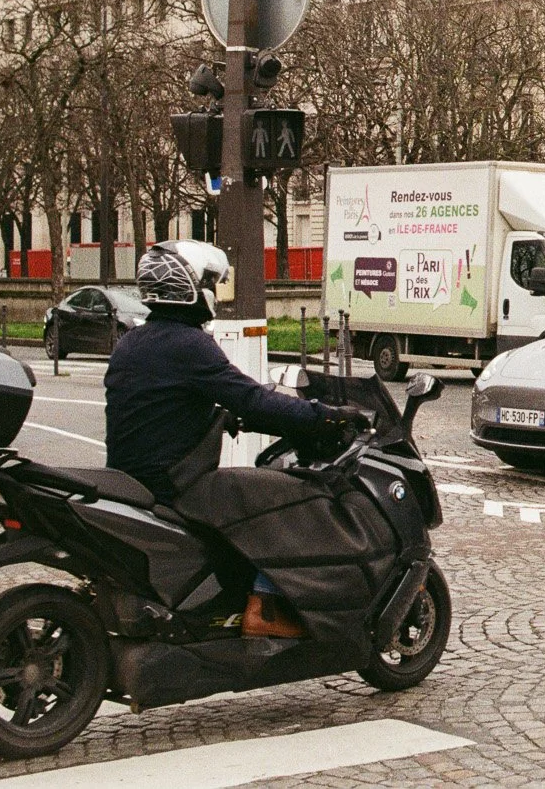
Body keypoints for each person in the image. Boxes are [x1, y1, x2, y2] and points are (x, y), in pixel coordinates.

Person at [106, 240, 361, 638]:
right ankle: (265, 608)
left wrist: (216, 418)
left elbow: (159, 409)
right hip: (177, 484)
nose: (214, 291)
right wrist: (325, 417)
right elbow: (255, 401)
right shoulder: (190, 345)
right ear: (190, 286)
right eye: (209, 281)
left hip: (133, 478)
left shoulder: (131, 343)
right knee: (293, 495)